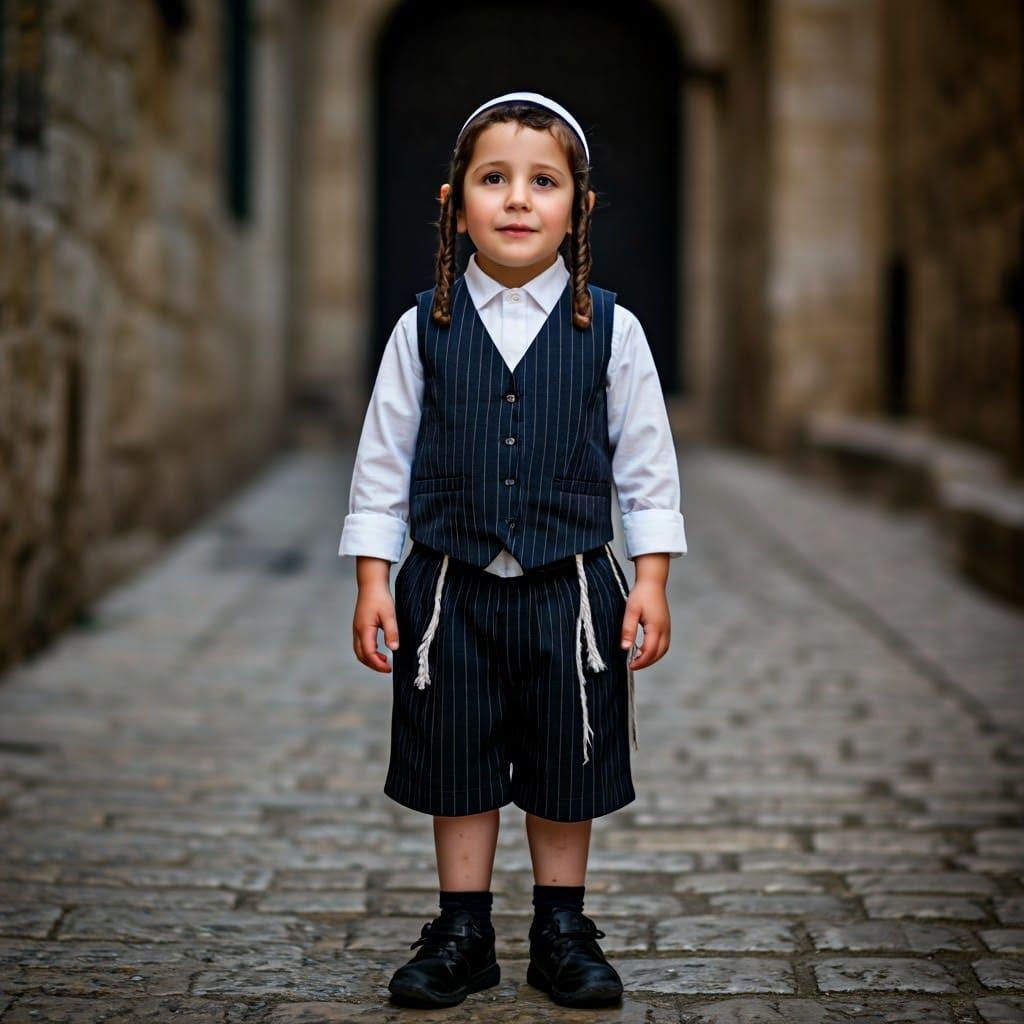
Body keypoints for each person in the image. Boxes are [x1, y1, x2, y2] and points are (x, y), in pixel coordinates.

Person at [339, 91, 687, 1009]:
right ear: (456, 201)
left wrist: (648, 580)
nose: (519, 199)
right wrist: (375, 581)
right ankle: (463, 931)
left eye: (544, 181)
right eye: (495, 180)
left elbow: (649, 466)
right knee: (457, 756)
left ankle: (561, 928)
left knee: (564, 762)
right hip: (448, 587)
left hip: (571, 592)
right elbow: (383, 460)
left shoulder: (612, 330)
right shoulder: (423, 328)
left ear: (580, 207)